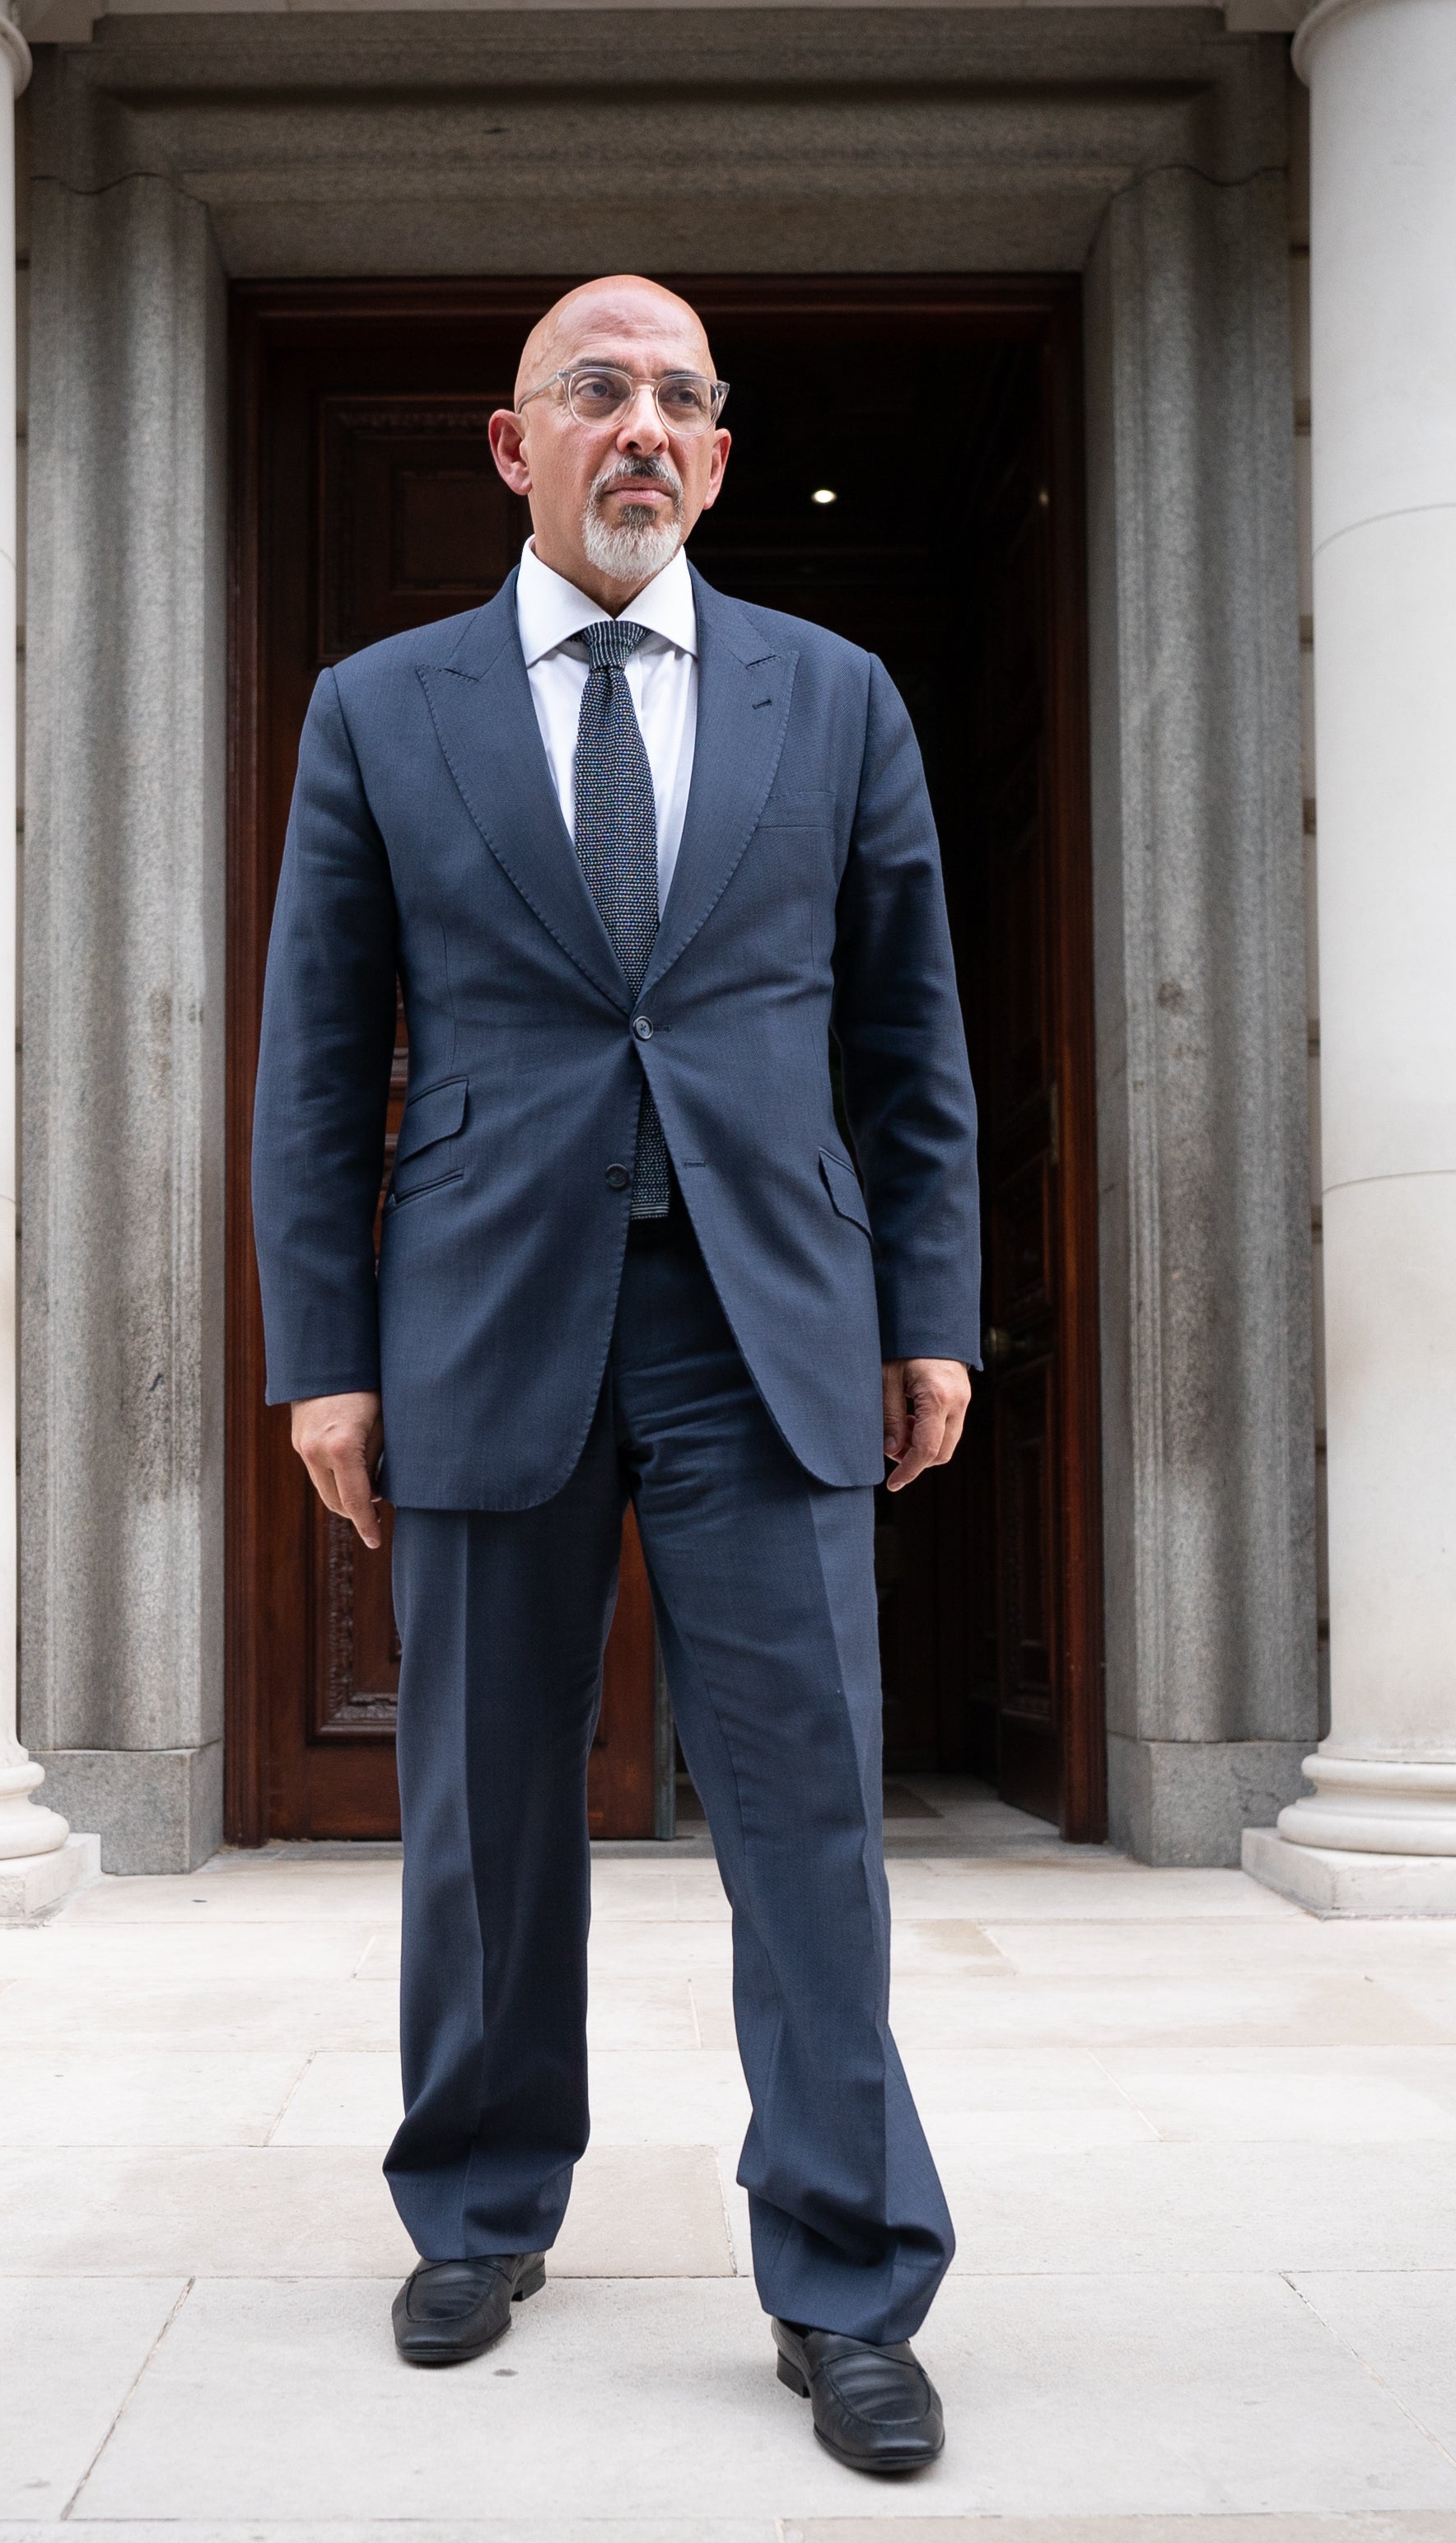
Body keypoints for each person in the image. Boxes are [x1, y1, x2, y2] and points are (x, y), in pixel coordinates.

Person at [250, 274, 983, 2475]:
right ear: (517, 444)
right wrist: (323, 1357)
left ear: (722, 456)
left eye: (680, 399)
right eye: (601, 392)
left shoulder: (836, 697)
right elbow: (315, 1059)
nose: (641, 426)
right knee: (481, 1815)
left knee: (808, 1823)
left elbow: (908, 1039)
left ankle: (849, 2276)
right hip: (481, 1310)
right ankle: (478, 2206)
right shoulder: (382, 708)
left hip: (767, 1319)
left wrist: (926, 1306)